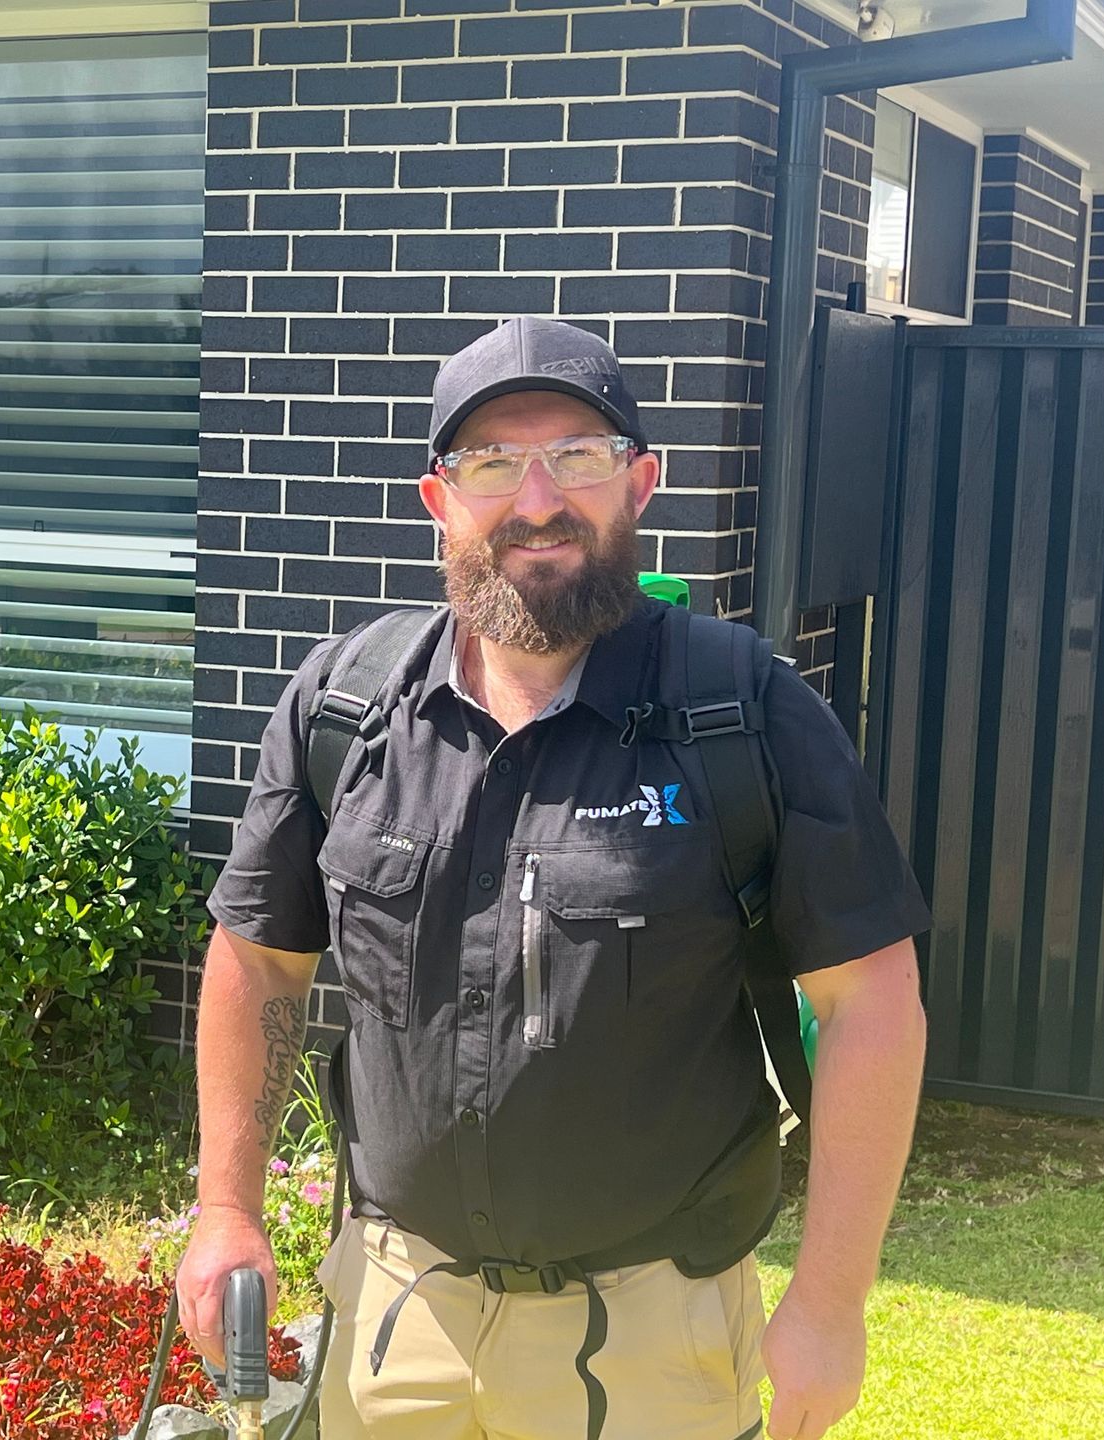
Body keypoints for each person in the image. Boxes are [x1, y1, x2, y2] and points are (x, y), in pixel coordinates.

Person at [178, 317, 929, 1440]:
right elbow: (259, 961)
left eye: (577, 455)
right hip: (394, 1320)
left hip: (650, 1341)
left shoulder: (747, 715)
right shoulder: (345, 709)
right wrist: (228, 1207)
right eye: (491, 463)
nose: (537, 501)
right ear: (440, 501)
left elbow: (870, 1001)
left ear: (640, 483)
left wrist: (829, 1301)